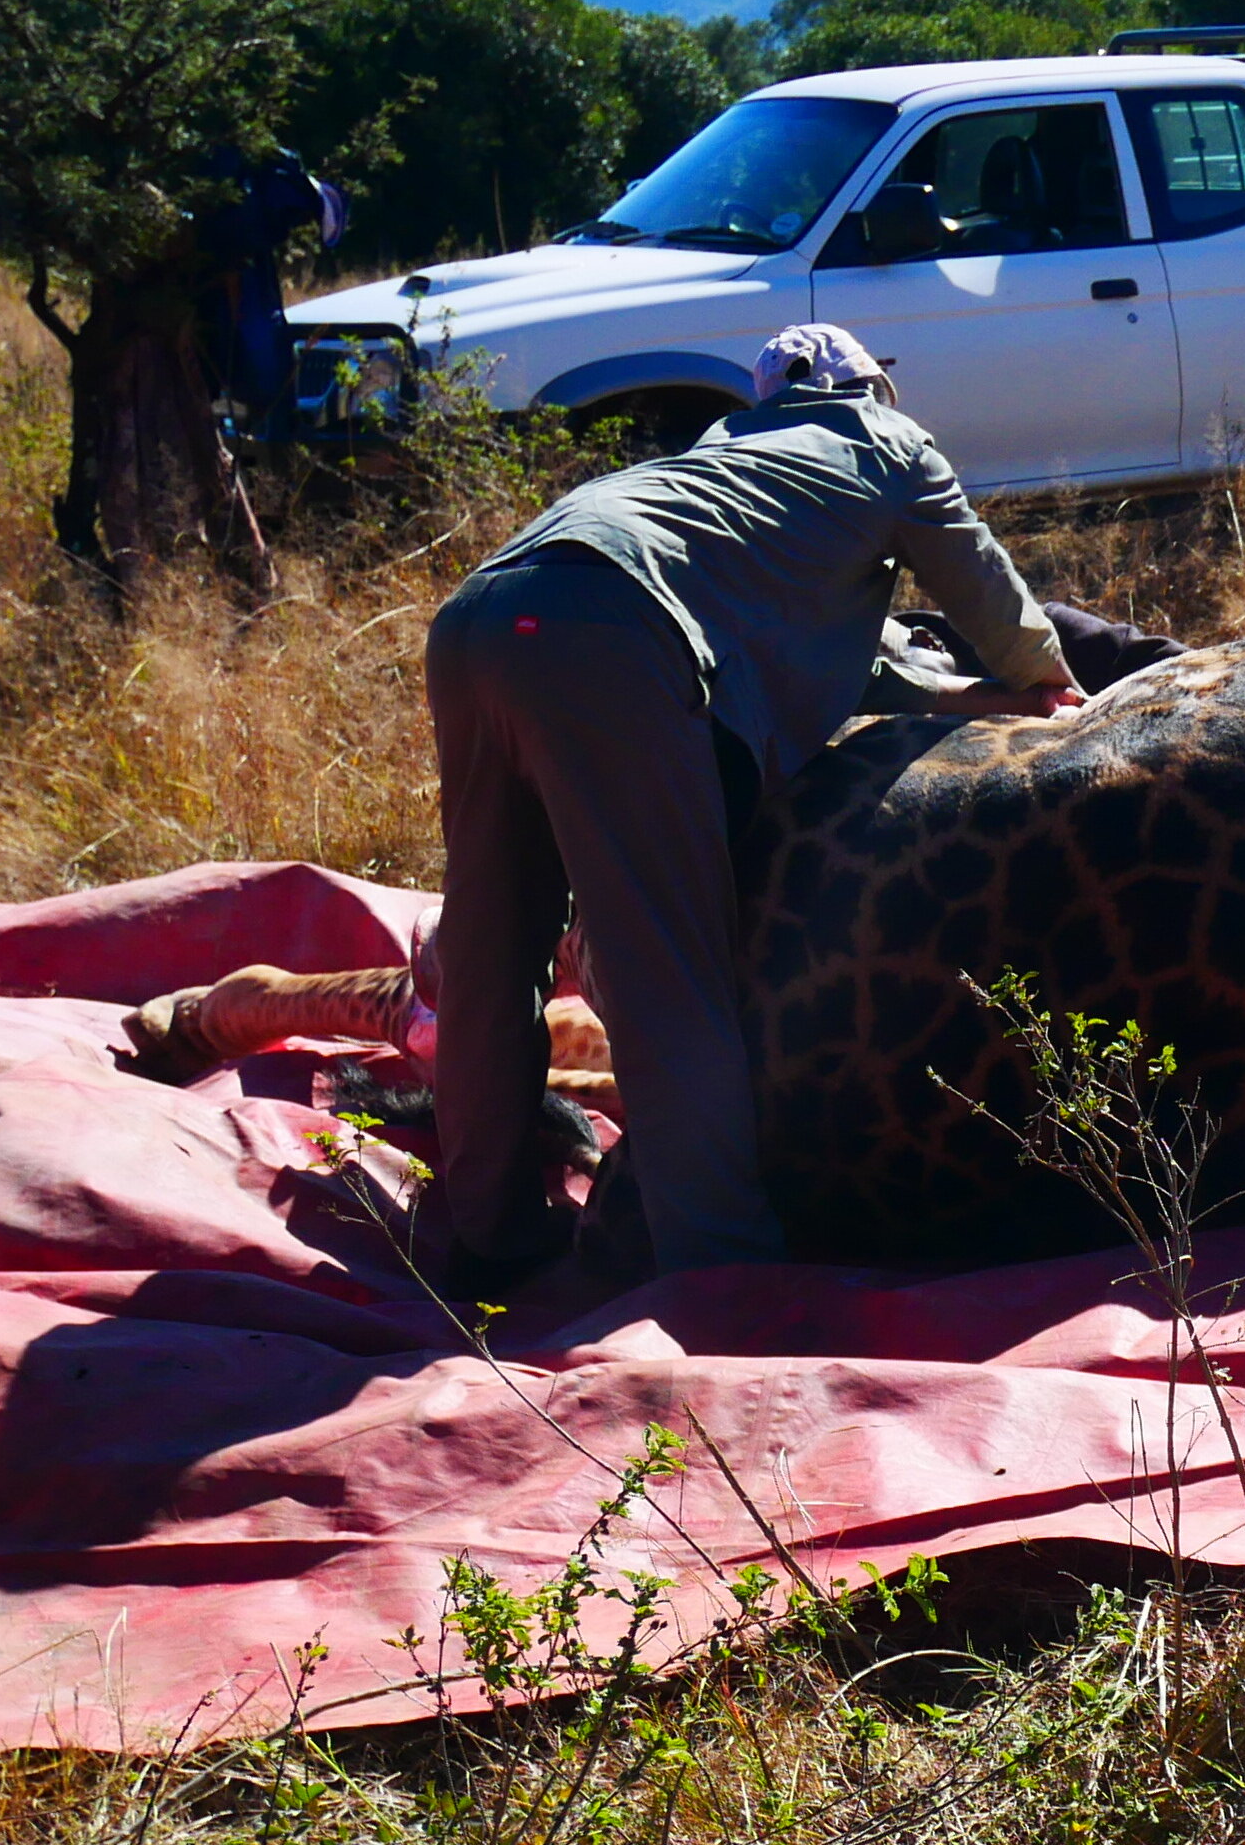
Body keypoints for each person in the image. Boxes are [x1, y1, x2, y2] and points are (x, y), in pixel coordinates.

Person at [421, 322, 1080, 1298]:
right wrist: (1050, 683)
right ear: (869, 388)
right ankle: (717, 1272)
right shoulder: (884, 445)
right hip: (610, 637)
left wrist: (978, 695)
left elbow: (874, 662)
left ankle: (487, 1232)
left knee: (490, 946)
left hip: (483, 617)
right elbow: (985, 594)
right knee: (667, 971)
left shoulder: (722, 465)